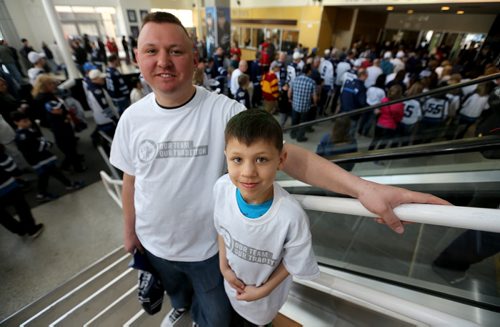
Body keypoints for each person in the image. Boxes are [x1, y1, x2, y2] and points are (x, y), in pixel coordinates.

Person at [110, 11, 448, 327]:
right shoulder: (131, 118)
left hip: (206, 249)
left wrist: (361, 188)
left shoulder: (221, 111)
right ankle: (180, 307)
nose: (163, 61)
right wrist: (131, 232)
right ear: (137, 57)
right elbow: (131, 179)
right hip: (153, 242)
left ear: (194, 57)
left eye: (175, 51)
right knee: (176, 291)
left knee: (214, 314)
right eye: (151, 50)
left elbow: (287, 154)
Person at [214, 110, 320, 326]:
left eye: (261, 159)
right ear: (226, 157)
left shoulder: (290, 216)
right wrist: (224, 267)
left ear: (281, 160)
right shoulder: (222, 188)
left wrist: (262, 291)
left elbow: (293, 262)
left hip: (265, 301)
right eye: (237, 159)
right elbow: (221, 230)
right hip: (230, 287)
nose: (248, 172)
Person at [12, 111, 82, 201]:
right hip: (39, 159)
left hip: (41, 159)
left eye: (28, 120)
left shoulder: (26, 131)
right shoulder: (22, 136)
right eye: (24, 121)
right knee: (45, 176)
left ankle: (67, 184)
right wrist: (47, 144)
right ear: (16, 122)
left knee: (53, 172)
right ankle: (43, 193)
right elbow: (36, 147)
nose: (28, 122)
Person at [0, 146, 44, 238]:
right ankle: (31, 229)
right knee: (21, 207)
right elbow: (12, 169)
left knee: (3, 216)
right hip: (8, 186)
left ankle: (19, 230)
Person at [368, 85, 404, 151]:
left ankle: (369, 151)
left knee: (375, 139)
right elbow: (399, 117)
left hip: (380, 123)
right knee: (384, 142)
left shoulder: (384, 100)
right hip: (390, 126)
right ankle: (377, 157)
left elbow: (380, 110)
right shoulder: (399, 104)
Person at [288, 63, 317, 142]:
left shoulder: (295, 79)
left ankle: (293, 133)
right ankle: (300, 137)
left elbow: (290, 91)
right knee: (303, 122)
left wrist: (289, 98)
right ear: (309, 71)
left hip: (295, 105)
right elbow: (314, 96)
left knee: (294, 120)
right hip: (305, 106)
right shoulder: (312, 82)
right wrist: (314, 103)